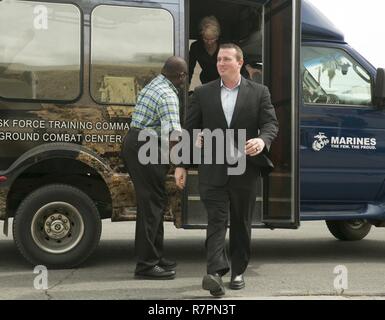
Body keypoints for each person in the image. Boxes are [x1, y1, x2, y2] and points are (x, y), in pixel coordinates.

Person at [175, 44, 278, 296]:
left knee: (242, 222)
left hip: (245, 170)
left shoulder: (259, 92)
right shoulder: (202, 93)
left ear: (239, 63)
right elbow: (189, 131)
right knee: (217, 221)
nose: (220, 63)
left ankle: (238, 271)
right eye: (219, 59)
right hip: (213, 169)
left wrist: (262, 140)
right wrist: (181, 164)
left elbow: (270, 124)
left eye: (226, 59)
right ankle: (214, 273)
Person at [122, 56, 188, 280]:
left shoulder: (156, 82)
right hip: (145, 147)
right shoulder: (168, 94)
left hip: (139, 143)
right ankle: (146, 265)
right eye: (185, 75)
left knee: (155, 203)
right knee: (151, 206)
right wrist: (180, 163)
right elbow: (174, 135)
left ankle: (156, 257)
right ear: (180, 76)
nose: (185, 79)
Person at [189, 16, 221, 85]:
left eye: (212, 39)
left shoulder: (224, 45)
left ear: (217, 37)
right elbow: (190, 67)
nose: (209, 43)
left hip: (223, 80)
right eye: (206, 39)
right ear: (201, 35)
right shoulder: (196, 47)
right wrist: (187, 85)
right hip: (206, 81)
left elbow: (240, 57)